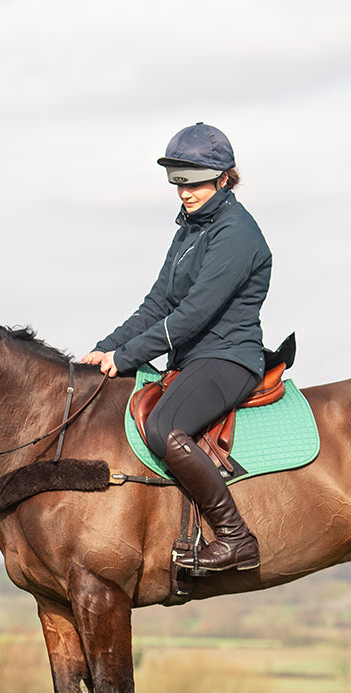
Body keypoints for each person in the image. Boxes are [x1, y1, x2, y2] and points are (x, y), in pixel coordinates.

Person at [82, 123, 272, 572]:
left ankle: (235, 536)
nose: (185, 193)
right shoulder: (190, 229)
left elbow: (191, 316)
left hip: (229, 356)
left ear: (225, 177)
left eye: (195, 183)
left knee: (164, 427)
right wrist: (105, 349)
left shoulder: (237, 234)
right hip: (191, 359)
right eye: (178, 182)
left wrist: (126, 358)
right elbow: (159, 303)